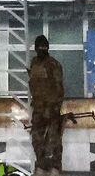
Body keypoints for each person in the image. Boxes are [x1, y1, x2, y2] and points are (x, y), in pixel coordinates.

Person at [28, 35, 64, 176]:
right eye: (40, 47)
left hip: (51, 107)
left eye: (45, 47)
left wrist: (55, 107)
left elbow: (59, 88)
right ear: (36, 48)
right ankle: (42, 166)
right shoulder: (34, 63)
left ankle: (55, 168)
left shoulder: (54, 64)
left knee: (54, 140)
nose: (42, 49)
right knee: (37, 139)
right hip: (38, 108)